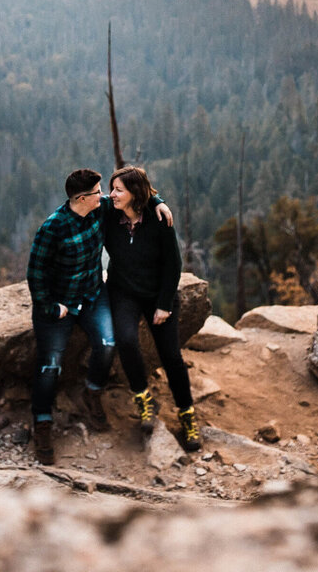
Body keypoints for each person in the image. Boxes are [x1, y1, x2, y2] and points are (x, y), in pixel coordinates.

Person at [26, 167, 172, 465]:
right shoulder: (52, 228)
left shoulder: (99, 208)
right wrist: (50, 307)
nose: (104, 195)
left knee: (107, 344)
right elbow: (35, 273)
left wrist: (158, 202)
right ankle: (42, 423)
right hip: (60, 304)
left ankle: (92, 393)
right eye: (97, 191)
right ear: (81, 198)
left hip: (93, 295)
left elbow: (137, 196)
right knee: (50, 365)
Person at [105, 164, 201, 452]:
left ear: (135, 193)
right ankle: (143, 399)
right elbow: (80, 201)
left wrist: (163, 305)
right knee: (125, 340)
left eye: (118, 190)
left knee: (171, 356)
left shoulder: (159, 222)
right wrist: (158, 199)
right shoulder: (109, 213)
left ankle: (187, 415)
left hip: (158, 294)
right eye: (112, 189)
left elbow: (174, 264)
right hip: (123, 292)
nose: (112, 195)